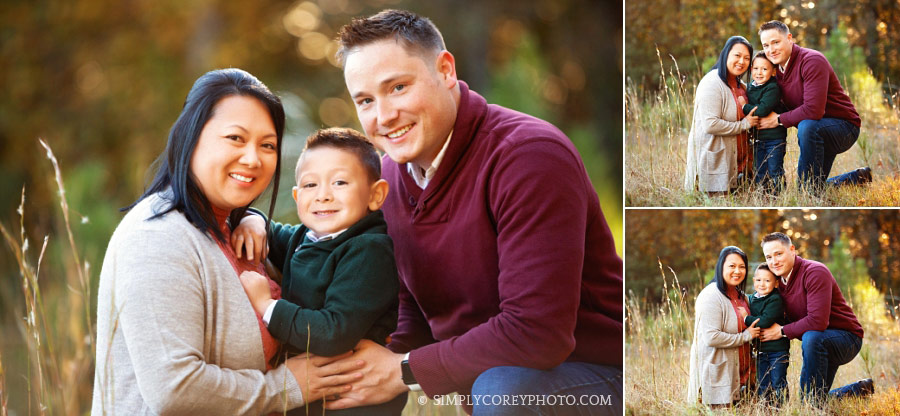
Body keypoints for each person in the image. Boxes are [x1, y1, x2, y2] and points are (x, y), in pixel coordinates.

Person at [325, 9, 623, 416]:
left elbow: (538, 334)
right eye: (365, 100)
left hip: (606, 373)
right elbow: (410, 313)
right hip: (503, 381)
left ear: (445, 70)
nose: (383, 116)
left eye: (397, 87)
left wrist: (402, 370)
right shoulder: (389, 182)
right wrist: (359, 373)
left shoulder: (528, 157)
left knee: (504, 391)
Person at [91, 69, 361, 415]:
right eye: (235, 138)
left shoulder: (231, 227)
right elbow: (175, 388)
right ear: (192, 138)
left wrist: (253, 218)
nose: (253, 158)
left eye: (267, 145)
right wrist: (287, 387)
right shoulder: (156, 238)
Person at [233, 127, 407, 415]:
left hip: (354, 397)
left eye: (340, 182)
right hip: (314, 392)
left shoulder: (368, 250)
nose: (323, 195)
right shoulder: (308, 237)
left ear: (375, 195)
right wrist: (253, 220)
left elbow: (333, 332)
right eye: (310, 185)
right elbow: (274, 234)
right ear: (297, 195)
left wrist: (267, 306)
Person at [758, 232, 874, 401]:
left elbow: (818, 321)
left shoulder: (815, 272)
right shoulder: (775, 281)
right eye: (768, 257)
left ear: (792, 250)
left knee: (812, 338)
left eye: (778, 254)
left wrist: (781, 331)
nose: (774, 261)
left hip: (846, 338)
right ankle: (859, 389)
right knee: (816, 397)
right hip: (818, 341)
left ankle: (809, 407)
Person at [756, 20, 872, 189]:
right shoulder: (774, 70)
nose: (771, 50)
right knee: (814, 185)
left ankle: (807, 192)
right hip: (815, 130)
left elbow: (813, 110)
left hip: (844, 127)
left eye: (775, 42)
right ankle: (858, 177)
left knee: (808, 127)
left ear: (789, 38)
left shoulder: (812, 60)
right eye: (766, 45)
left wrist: (778, 120)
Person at [685, 36, 759, 194]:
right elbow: (710, 124)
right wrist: (744, 124)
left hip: (739, 166)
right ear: (726, 54)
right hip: (715, 165)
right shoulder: (712, 83)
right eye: (737, 55)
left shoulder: (741, 85)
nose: (741, 61)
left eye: (747, 58)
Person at [687, 246, 761, 407]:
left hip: (744, 377)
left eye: (742, 267)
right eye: (732, 266)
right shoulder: (710, 296)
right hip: (719, 379)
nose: (737, 271)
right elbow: (711, 337)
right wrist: (746, 336)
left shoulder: (741, 296)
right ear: (721, 266)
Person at [739, 264, 789, 405]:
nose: (762, 284)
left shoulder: (775, 299)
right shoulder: (753, 298)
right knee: (762, 381)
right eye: (759, 280)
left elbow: (765, 321)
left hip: (777, 351)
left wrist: (746, 318)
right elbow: (746, 298)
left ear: (776, 283)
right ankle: (765, 407)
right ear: (754, 281)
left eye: (767, 281)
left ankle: (781, 408)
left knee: (778, 380)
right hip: (761, 351)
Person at [740, 51, 788, 195]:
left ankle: (779, 196)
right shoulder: (751, 87)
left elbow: (762, 110)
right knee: (759, 169)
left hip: (774, 139)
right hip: (758, 139)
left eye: (764, 69)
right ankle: (763, 196)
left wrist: (744, 107)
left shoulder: (772, 88)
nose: (759, 72)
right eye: (755, 68)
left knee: (774, 170)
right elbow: (747, 88)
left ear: (773, 72)